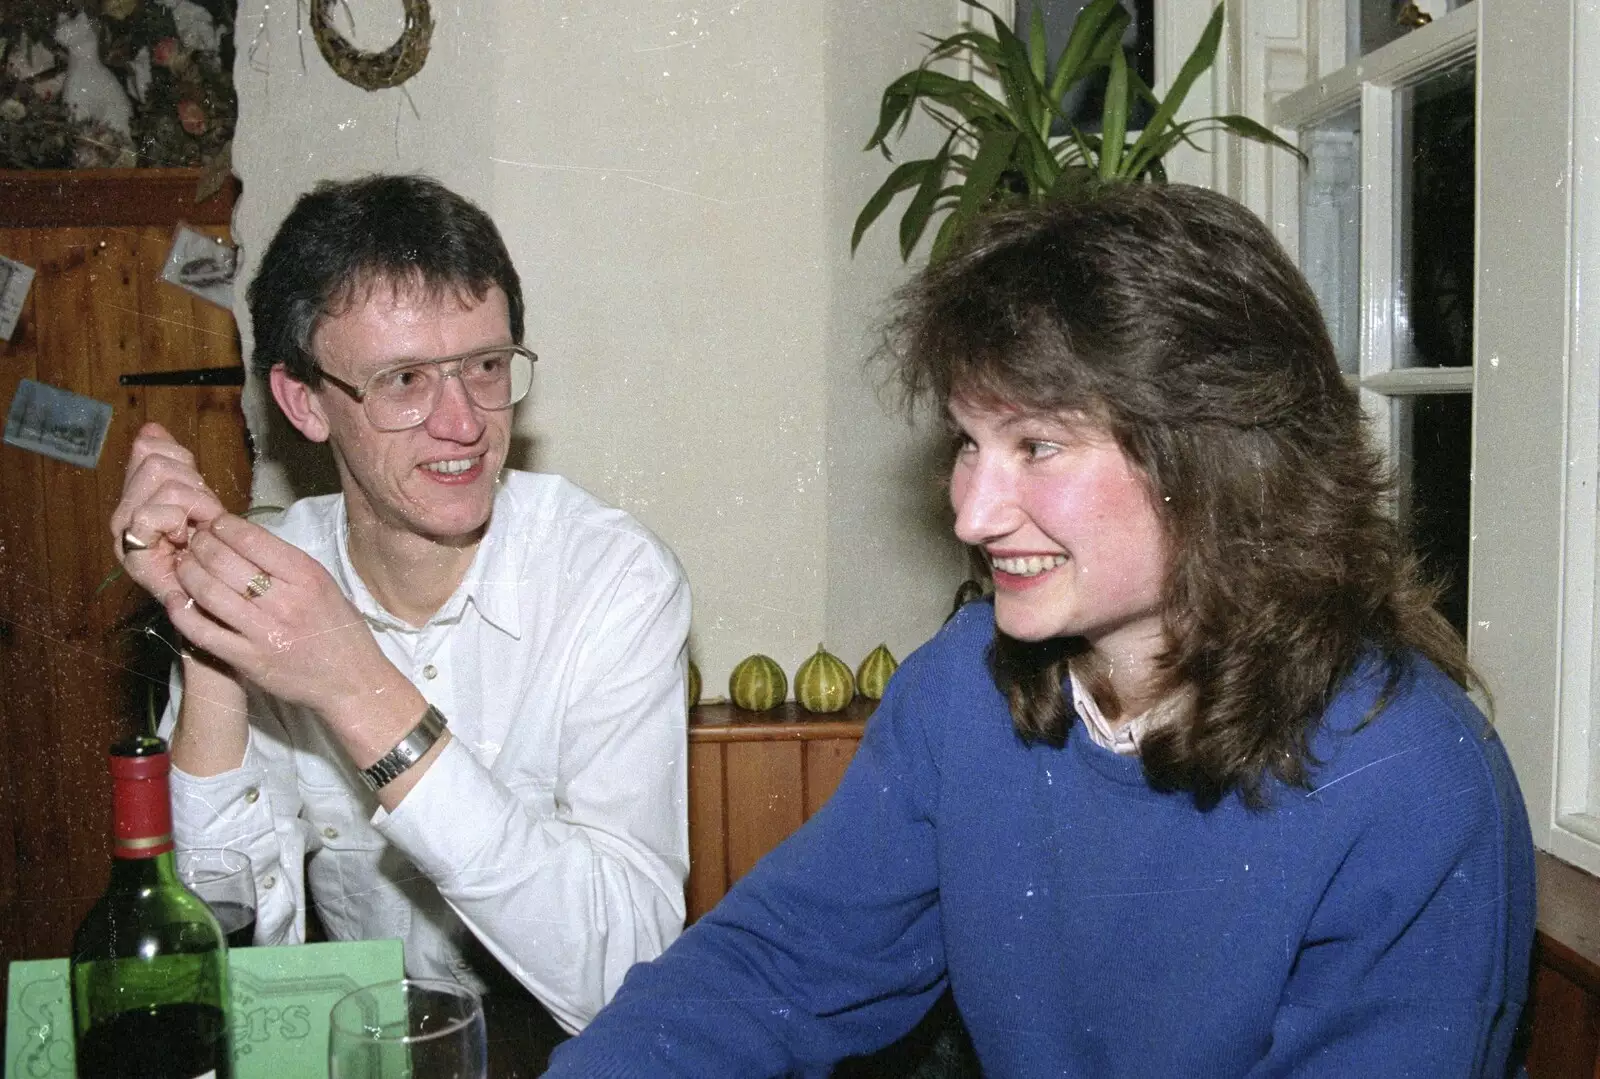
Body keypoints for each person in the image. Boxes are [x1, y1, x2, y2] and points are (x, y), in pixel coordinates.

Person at [544, 183, 1536, 1077]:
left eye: (1038, 445)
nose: (972, 512)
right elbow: (778, 962)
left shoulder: (1414, 782)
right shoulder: (958, 692)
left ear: (1213, 458)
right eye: (969, 443)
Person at [108, 174, 692, 1044]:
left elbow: (628, 980)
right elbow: (221, 962)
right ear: (305, 401)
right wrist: (208, 635)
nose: (462, 422)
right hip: (374, 1046)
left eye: (486, 367)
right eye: (405, 379)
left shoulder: (612, 577)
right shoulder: (278, 580)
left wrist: (359, 689)